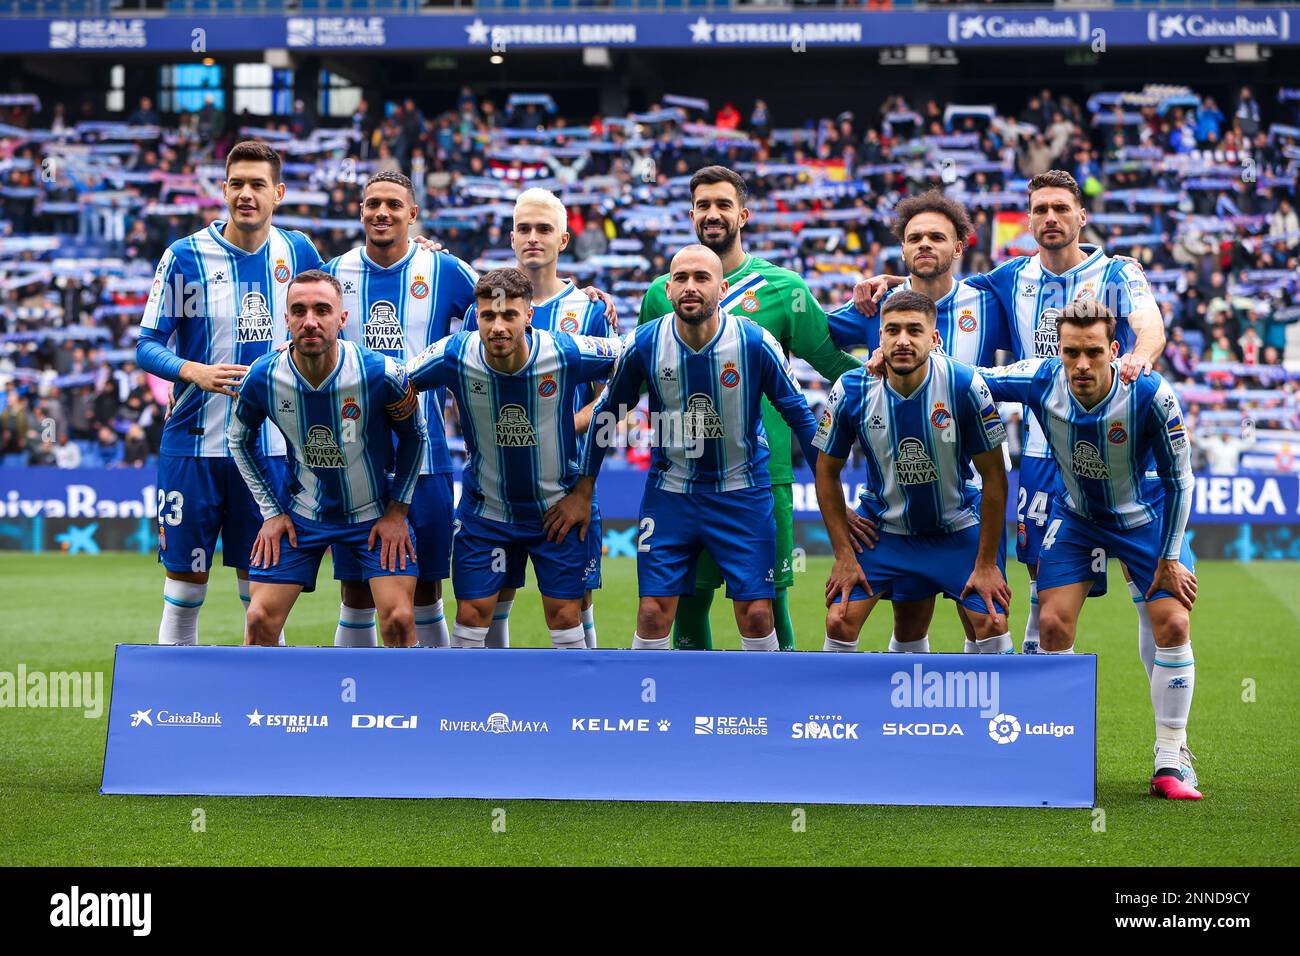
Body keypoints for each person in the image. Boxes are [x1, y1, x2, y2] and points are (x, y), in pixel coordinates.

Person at [853, 170, 1166, 670]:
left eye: (1061, 208)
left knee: (1152, 591)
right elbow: (940, 287)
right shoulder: (1011, 277)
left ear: (1081, 216)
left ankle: (1171, 741)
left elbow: (1149, 326)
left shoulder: (1120, 271)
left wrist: (1140, 358)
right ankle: (1033, 700)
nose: (1050, 218)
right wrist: (890, 282)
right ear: (1028, 220)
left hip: (1121, 445)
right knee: (1044, 584)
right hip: (1043, 453)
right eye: (1040, 210)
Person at [637, 166, 867, 651]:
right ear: (692, 214)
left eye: (723, 204)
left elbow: (830, 363)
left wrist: (887, 376)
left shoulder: (785, 288)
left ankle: (779, 711)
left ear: (744, 213)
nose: (712, 214)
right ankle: (685, 707)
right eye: (703, 205)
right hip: (683, 477)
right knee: (688, 600)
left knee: (767, 601)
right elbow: (638, 374)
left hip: (765, 474)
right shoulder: (663, 292)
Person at [979, 300, 1201, 800]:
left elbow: (1181, 478)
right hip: (1076, 518)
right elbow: (973, 378)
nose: (1081, 364)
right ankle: (1058, 750)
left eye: (1093, 353)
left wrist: (1168, 559)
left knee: (1174, 622)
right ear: (1058, 351)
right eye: (1071, 352)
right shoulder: (1041, 378)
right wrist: (903, 351)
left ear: (1114, 350)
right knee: (1052, 625)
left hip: (1145, 519)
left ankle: (1171, 756)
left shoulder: (1148, 392)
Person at [567, 244, 822, 651]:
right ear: (667, 290)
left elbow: (802, 419)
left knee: (757, 614)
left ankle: (767, 709)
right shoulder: (644, 343)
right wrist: (583, 487)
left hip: (743, 493)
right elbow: (608, 414)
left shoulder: (755, 342)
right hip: (670, 496)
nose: (690, 287)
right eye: (681, 279)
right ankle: (652, 707)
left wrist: (831, 493)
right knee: (652, 613)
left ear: (722, 288)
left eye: (701, 278)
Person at [136, 140, 323, 646]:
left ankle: (267, 713)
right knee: (183, 588)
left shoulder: (299, 252)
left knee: (262, 599)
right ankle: (175, 711)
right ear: (223, 189)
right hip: (194, 446)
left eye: (257, 184)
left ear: (277, 193)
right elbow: (147, 345)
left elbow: (329, 326)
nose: (246, 194)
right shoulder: (184, 256)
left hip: (269, 452)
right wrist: (191, 371)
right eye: (236, 183)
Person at [407, 267, 621, 650]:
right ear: (476, 317)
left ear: (529, 316)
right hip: (486, 512)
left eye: (509, 315)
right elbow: (395, 382)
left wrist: (585, 480)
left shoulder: (565, 351)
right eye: (488, 316)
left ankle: (574, 704)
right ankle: (465, 707)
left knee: (565, 616)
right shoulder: (455, 353)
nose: (498, 326)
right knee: (472, 615)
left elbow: (628, 368)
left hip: (557, 510)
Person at [229, 270, 426, 648]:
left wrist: (397, 512)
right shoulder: (262, 377)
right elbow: (238, 439)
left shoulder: (382, 373)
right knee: (258, 619)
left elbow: (415, 437)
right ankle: (266, 706)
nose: (310, 322)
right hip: (303, 515)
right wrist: (271, 512)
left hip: (373, 513)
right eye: (298, 311)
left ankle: (401, 703)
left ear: (342, 318)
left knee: (400, 620)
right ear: (285, 319)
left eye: (322, 310)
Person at [323, 170, 477, 650]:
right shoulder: (335, 271)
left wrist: (582, 294)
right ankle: (353, 700)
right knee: (356, 593)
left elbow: (509, 305)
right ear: (362, 211)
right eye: (372, 204)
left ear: (413, 215)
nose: (381, 212)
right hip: (355, 462)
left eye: (394, 204)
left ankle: (432, 701)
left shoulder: (445, 271)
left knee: (429, 589)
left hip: (427, 458)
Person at [461, 188, 619, 649]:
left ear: (563, 240)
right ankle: (489, 710)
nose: (534, 237)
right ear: (511, 238)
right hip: (494, 490)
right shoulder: (482, 310)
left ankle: (583, 703)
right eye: (525, 229)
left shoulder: (590, 309)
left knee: (574, 606)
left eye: (544, 229)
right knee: (488, 603)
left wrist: (562, 426)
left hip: (565, 489)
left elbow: (617, 399)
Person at [817, 291, 1012, 654]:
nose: (903, 340)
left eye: (914, 330)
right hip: (885, 532)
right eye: (892, 330)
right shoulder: (851, 389)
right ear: (880, 338)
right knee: (839, 618)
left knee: (991, 621)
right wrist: (844, 556)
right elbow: (826, 472)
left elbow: (995, 476)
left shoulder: (964, 385)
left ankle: (992, 712)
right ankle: (837, 712)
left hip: (956, 527)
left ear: (934, 339)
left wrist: (986, 563)